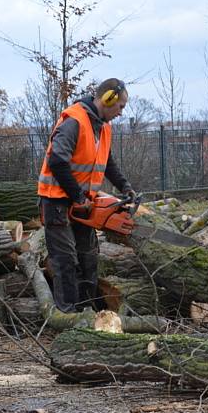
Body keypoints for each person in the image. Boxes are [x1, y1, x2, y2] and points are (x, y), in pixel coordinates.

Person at [37, 78, 136, 313]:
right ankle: (68, 315)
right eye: (120, 106)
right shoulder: (75, 121)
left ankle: (87, 311)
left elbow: (107, 162)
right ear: (107, 98)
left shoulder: (103, 127)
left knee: (88, 257)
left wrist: (125, 187)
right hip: (56, 201)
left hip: (83, 203)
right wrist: (77, 196)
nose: (121, 112)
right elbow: (57, 161)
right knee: (66, 260)